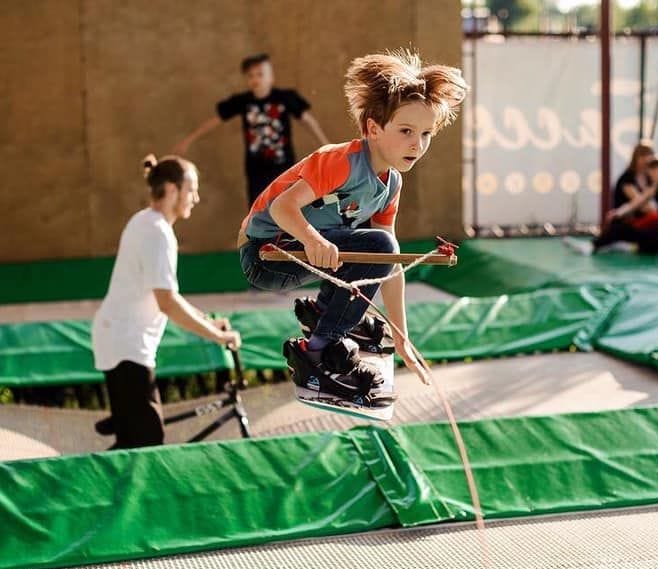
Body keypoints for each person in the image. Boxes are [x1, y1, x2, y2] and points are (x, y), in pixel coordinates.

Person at [237, 50, 468, 405]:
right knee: (377, 243)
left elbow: (389, 263)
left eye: (425, 134)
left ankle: (321, 315)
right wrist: (312, 239)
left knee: (380, 246)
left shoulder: (390, 184)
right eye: (405, 131)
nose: (416, 144)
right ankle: (317, 352)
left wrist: (402, 336)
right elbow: (281, 207)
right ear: (374, 128)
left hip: (296, 254)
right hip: (264, 253)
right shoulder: (342, 161)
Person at [92, 155, 241, 449]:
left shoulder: (147, 222)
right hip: (126, 347)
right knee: (147, 443)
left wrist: (207, 321)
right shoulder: (157, 232)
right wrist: (218, 335)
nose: (196, 198)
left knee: (134, 443)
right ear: (172, 190)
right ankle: (81, 489)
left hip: (119, 341)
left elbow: (165, 292)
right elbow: (168, 303)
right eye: (192, 190)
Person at [173, 53, 331, 205]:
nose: (255, 79)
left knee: (288, 204)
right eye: (250, 75)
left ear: (271, 78)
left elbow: (307, 121)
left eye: (260, 74)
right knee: (259, 207)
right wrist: (188, 140)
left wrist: (325, 145)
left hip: (284, 167)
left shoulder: (284, 99)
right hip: (257, 171)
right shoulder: (243, 102)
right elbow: (215, 121)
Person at [581, 152, 658, 255]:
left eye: (656, 169)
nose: (651, 172)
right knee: (621, 229)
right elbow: (636, 202)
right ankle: (594, 246)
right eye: (651, 168)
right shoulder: (656, 188)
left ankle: (628, 247)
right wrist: (618, 212)